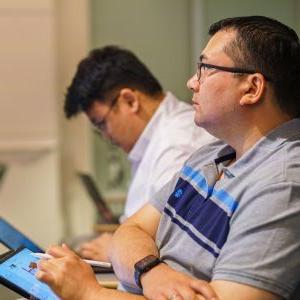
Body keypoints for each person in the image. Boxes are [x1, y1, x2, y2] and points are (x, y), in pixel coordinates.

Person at [37, 16, 300, 300]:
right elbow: (131, 229)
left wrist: (87, 293)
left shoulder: (281, 184)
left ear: (251, 88)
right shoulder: (213, 154)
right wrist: (152, 270)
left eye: (206, 69)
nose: (191, 82)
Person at [63, 46, 214, 261]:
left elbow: (176, 249)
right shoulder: (154, 139)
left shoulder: (177, 147)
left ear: (130, 101)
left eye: (102, 124)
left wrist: (114, 251)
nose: (105, 136)